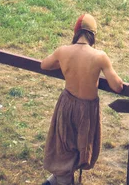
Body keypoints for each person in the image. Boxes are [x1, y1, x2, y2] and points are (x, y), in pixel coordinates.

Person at [41, 13, 123, 185]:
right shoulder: (100, 56)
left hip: (67, 103)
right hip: (87, 109)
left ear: (76, 32)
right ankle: (62, 181)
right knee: (82, 146)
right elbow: (117, 86)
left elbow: (45, 65)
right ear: (93, 35)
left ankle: (53, 181)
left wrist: (63, 64)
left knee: (65, 145)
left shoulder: (63, 51)